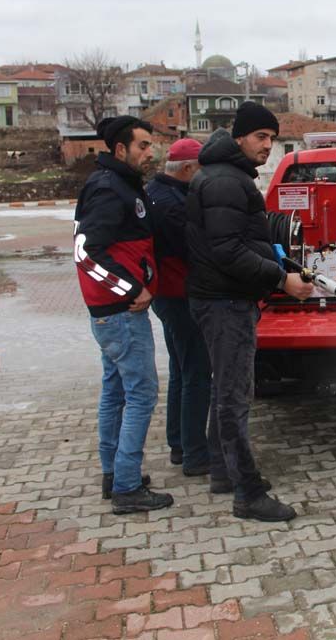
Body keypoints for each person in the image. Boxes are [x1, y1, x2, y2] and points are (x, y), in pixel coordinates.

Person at [186, 102, 313, 523]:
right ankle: (248, 494)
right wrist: (281, 280)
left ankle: (224, 472)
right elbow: (227, 250)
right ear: (239, 136)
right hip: (225, 302)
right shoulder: (225, 180)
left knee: (225, 391)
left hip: (222, 298)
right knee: (234, 398)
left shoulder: (227, 175)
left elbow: (241, 240)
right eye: (261, 137)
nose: (267, 145)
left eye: (272, 139)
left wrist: (280, 263)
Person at [73, 115, 173, 515]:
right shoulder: (108, 188)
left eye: (151, 145)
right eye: (143, 146)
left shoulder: (123, 184)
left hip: (115, 314)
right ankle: (127, 487)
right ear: (120, 149)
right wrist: (132, 289)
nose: (151, 152)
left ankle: (115, 474)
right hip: (120, 314)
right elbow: (85, 252)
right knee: (142, 394)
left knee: (115, 392)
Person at [147, 138, 211, 477]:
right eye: (201, 170)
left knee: (181, 371)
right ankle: (196, 455)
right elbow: (194, 251)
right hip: (180, 297)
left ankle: (179, 444)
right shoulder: (172, 204)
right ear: (187, 168)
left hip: (167, 296)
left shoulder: (156, 192)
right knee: (197, 373)